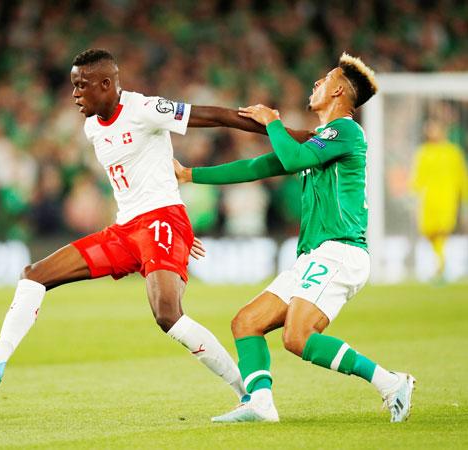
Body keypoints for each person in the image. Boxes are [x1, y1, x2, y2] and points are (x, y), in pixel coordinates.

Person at [0, 49, 309, 398]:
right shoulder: (92, 128)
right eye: (72, 84)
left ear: (106, 85)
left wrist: (295, 136)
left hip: (162, 220)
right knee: (34, 274)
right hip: (125, 230)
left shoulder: (144, 108)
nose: (74, 93)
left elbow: (213, 116)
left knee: (167, 315)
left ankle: (246, 392)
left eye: (81, 85)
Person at [174, 53, 415, 423]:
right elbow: (258, 166)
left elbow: (288, 160)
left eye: (324, 79)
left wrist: (273, 122)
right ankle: (260, 403)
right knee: (246, 323)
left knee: (297, 337)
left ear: (338, 90)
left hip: (341, 250)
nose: (316, 83)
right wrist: (190, 174)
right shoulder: (318, 141)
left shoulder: (347, 131)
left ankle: (391, 382)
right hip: (315, 256)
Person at [411, 118, 468, 281]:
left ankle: (441, 268)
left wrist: (464, 202)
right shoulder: (423, 152)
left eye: (434, 128)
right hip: (428, 200)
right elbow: (417, 178)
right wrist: (413, 198)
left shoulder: (453, 152)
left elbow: (461, 177)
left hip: (447, 199)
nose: (431, 132)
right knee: (430, 233)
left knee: (443, 232)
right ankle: (441, 266)